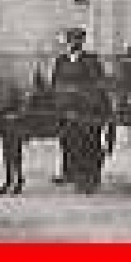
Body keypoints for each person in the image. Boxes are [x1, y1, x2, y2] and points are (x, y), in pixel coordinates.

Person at [51, 26, 108, 192]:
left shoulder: (90, 60)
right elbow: (55, 81)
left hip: (87, 108)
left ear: (82, 42)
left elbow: (97, 83)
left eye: (77, 41)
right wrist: (59, 97)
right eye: (71, 40)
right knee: (67, 140)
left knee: (89, 143)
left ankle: (90, 179)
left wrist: (80, 93)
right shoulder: (61, 60)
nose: (74, 44)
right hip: (65, 107)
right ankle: (69, 172)